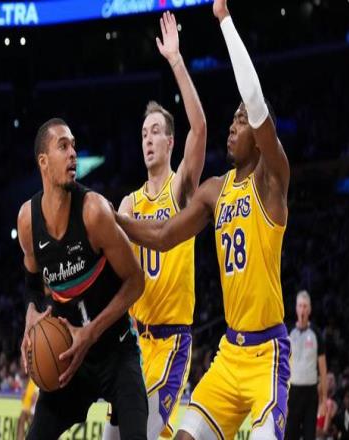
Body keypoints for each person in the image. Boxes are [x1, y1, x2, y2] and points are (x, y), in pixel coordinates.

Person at [115, 0, 291, 438]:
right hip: (229, 353)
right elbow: (161, 235)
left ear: (259, 135)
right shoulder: (214, 190)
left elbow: (252, 102)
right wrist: (108, 218)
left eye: (241, 122)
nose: (233, 127)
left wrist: (225, 21)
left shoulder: (272, 180)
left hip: (267, 352)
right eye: (232, 120)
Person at [104, 10, 206, 439]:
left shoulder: (181, 189)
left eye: (155, 132)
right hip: (133, 344)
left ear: (170, 141)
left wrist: (176, 61)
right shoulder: (128, 203)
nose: (147, 139)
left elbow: (200, 128)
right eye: (144, 133)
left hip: (171, 343)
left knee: (139, 432)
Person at [17, 118, 148, 439]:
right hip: (69, 363)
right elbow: (32, 282)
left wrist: (92, 332)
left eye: (74, 145)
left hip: (116, 351)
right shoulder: (27, 221)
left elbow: (136, 281)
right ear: (43, 161)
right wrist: (30, 313)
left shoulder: (94, 212)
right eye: (63, 146)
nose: (73, 153)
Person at [286, 290, 328, 440]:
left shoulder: (316, 334)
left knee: (309, 436)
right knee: (290, 435)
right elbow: (282, 368)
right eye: (300, 306)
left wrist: (324, 400)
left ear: (309, 309)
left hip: (311, 393)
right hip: (293, 393)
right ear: (296, 308)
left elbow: (323, 371)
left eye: (305, 306)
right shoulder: (289, 333)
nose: (302, 309)